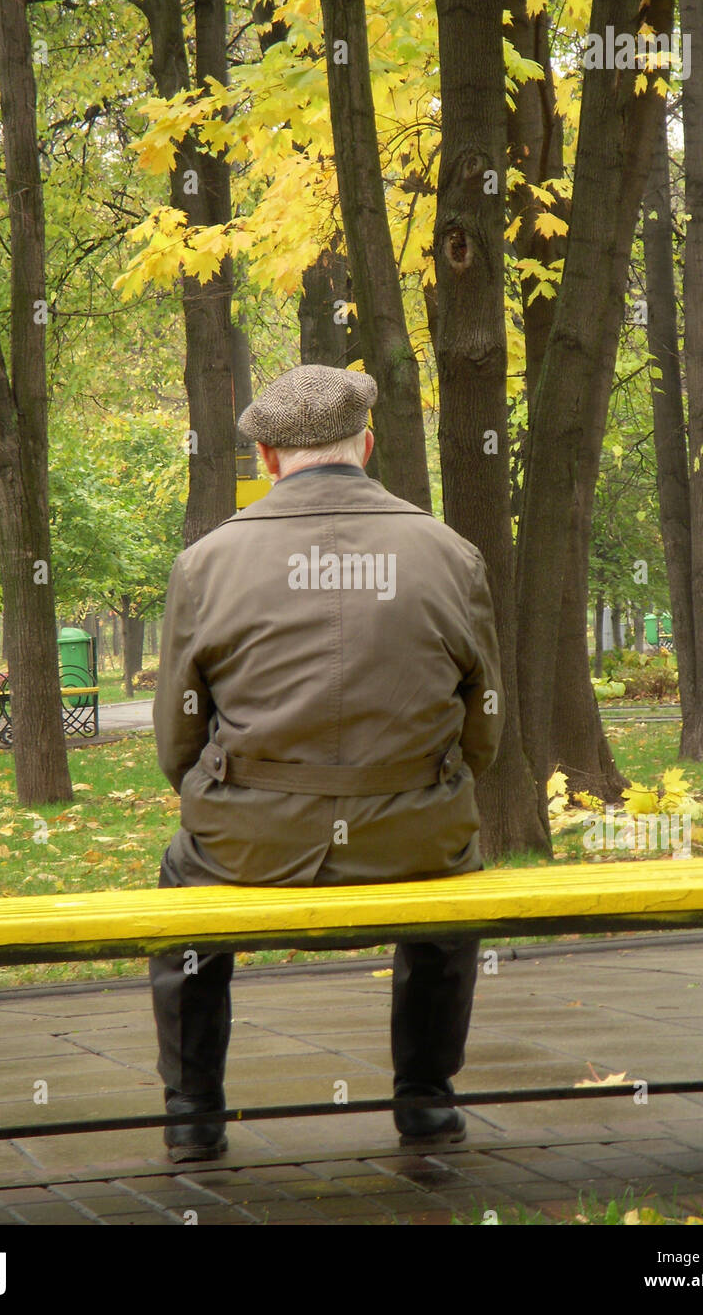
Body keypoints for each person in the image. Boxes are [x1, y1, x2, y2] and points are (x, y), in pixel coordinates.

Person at [150, 364, 504, 1161]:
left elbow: (177, 742)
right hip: (412, 834)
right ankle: (424, 1099)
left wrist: (221, 795)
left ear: (267, 459)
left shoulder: (204, 565)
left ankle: (193, 1109)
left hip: (249, 840)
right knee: (455, 867)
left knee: (185, 884)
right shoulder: (449, 553)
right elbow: (484, 729)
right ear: (368, 446)